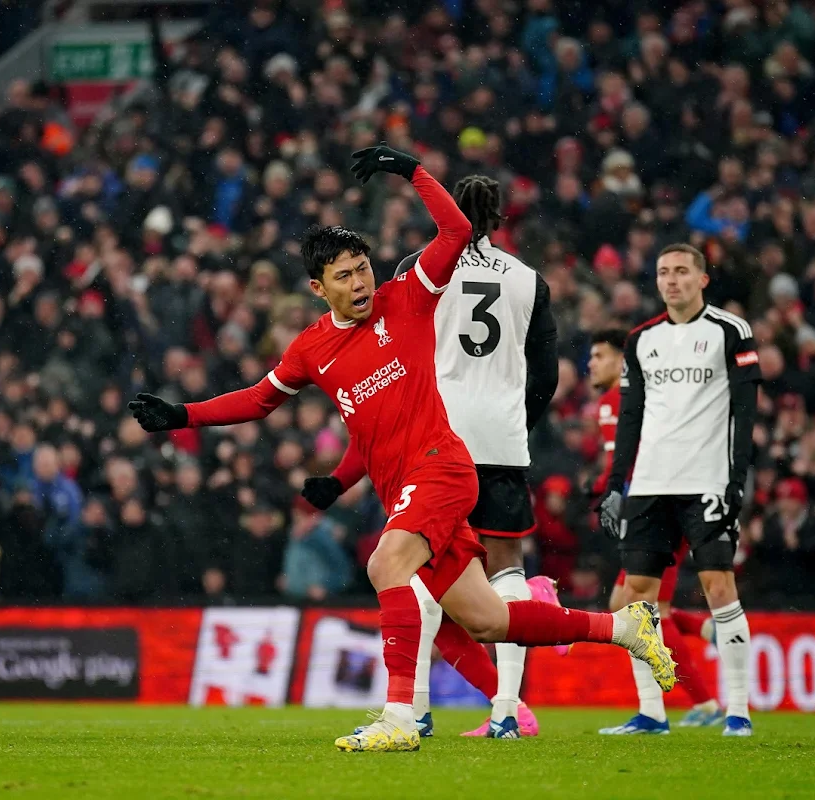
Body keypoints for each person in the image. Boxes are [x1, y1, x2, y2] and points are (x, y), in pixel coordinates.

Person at [129, 144, 675, 752]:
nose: (360, 282)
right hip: (405, 486)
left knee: (385, 565)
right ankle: (625, 626)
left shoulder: (407, 297)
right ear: (318, 288)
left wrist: (410, 169)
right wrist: (183, 414)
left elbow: (456, 229)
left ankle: (400, 718)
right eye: (343, 276)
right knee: (488, 618)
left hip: (442, 468)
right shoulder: (311, 349)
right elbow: (259, 399)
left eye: (362, 267)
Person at [310, 174, 562, 739]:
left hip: (435, 436)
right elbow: (545, 376)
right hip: (501, 438)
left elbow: (383, 367)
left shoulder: (418, 267)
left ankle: (415, 706)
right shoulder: (529, 281)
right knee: (508, 573)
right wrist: (518, 424)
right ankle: (506, 712)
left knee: (416, 571)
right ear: (499, 218)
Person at [599, 243, 760, 737]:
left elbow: (745, 408)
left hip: (706, 480)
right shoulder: (640, 339)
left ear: (703, 279)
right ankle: (652, 713)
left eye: (682, 272)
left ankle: (738, 712)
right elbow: (631, 415)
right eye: (664, 272)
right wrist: (615, 485)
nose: (672, 281)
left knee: (718, 587)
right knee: (635, 597)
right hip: (650, 484)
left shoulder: (730, 331)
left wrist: (737, 478)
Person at [589, 326, 725, 731]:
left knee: (646, 609)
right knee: (624, 603)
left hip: (660, 507)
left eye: (598, 356)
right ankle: (701, 629)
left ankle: (702, 702)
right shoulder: (622, 400)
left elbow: (633, 460)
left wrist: (604, 490)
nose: (591, 365)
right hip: (663, 503)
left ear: (619, 361)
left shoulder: (619, 400)